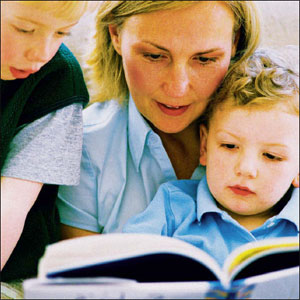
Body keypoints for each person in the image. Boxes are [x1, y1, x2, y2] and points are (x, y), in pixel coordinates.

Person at [57, 1, 261, 239]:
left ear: (235, 42)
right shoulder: (84, 147)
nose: (177, 88)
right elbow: (83, 272)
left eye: (204, 59)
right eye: (154, 56)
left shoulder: (284, 135)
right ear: (116, 35)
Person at [123, 48, 299, 267]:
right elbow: (124, 265)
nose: (245, 169)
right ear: (205, 145)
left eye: (272, 156)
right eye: (229, 146)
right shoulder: (173, 206)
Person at [1, 0, 98, 284]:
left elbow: (11, 205)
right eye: (24, 29)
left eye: (61, 34)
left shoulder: (57, 80)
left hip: (12, 275)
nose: (41, 53)